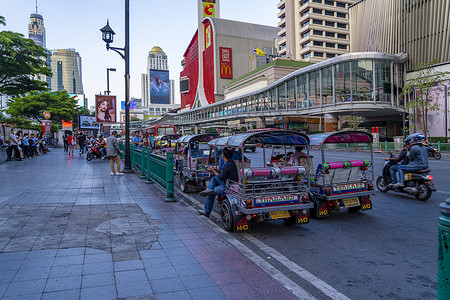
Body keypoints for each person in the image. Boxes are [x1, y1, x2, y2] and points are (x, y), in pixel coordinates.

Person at [198, 148, 239, 217]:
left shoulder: (227, 165)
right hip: (227, 182)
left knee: (211, 194)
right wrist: (215, 169)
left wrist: (213, 171)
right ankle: (210, 189)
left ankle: (207, 210)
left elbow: (220, 177)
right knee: (214, 179)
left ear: (223, 156)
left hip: (227, 186)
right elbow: (223, 173)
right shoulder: (231, 163)